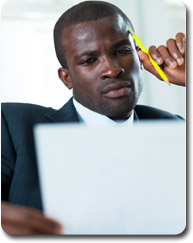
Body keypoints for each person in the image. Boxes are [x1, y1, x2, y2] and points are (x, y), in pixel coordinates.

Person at [1, 1, 185, 235]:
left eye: (122, 51)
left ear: (140, 57)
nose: (112, 69)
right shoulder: (13, 125)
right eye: (89, 60)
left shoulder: (174, 128)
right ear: (66, 78)